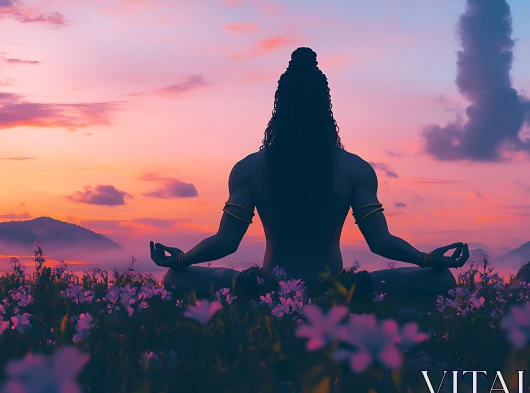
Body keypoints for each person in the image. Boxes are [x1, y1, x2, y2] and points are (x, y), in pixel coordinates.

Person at [150, 47, 469, 300]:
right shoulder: (354, 168)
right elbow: (380, 242)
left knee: (175, 278)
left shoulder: (249, 168)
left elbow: (226, 242)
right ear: (325, 106)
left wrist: (180, 261)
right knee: (442, 279)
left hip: (268, 289)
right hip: (338, 289)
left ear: (279, 105)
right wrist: (428, 260)